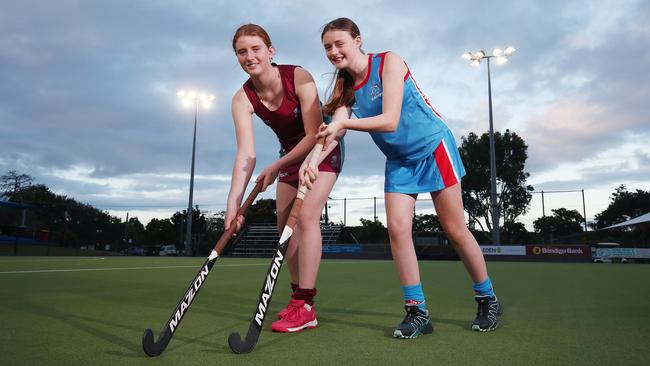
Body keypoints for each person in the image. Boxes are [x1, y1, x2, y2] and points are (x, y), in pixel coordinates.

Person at [313, 17, 503, 338]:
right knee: (398, 230)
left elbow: (389, 120)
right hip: (400, 161)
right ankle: (417, 312)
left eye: (339, 43)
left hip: (433, 147)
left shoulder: (389, 61)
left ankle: (488, 299)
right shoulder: (344, 88)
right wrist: (313, 162)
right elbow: (334, 131)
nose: (333, 51)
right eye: (328, 47)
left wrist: (341, 126)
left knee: (455, 230)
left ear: (358, 41)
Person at [225, 24, 345, 333]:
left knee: (305, 218)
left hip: (321, 147)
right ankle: (297, 302)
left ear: (270, 51)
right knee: (284, 231)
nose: (249, 56)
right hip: (289, 155)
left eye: (256, 49)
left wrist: (277, 165)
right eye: (242, 51)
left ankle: (306, 303)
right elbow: (246, 156)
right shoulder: (242, 99)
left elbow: (312, 134)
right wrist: (233, 204)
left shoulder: (299, 77)